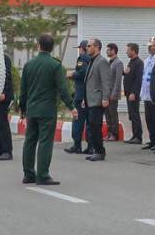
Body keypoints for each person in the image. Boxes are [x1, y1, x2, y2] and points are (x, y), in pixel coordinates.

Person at [20, 34, 77, 185]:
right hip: (47, 110)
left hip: (31, 109)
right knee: (45, 141)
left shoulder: (29, 65)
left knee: (30, 141)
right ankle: (43, 175)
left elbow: (23, 90)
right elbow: (63, 89)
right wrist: (71, 107)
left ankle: (28, 174)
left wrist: (22, 108)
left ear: (38, 45)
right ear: (52, 48)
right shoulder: (55, 65)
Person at [83, 38, 112, 161]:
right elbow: (89, 82)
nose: (87, 48)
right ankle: (95, 149)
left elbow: (106, 82)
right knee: (91, 126)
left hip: (98, 100)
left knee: (95, 126)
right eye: (87, 46)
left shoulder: (102, 61)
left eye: (89, 46)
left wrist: (105, 98)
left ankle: (100, 151)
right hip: (90, 99)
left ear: (97, 47)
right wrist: (85, 98)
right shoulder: (92, 61)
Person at [65, 40, 91, 154]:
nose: (79, 50)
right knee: (89, 121)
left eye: (80, 48)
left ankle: (77, 145)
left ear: (83, 48)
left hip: (81, 94)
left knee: (77, 120)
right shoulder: (91, 58)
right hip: (88, 95)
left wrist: (71, 75)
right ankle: (90, 146)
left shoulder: (82, 58)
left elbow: (82, 73)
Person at [123, 43, 144, 143]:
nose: (126, 52)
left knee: (135, 114)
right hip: (128, 93)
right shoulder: (131, 62)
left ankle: (138, 136)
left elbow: (138, 79)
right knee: (131, 115)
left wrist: (134, 93)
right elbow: (129, 74)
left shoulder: (138, 63)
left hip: (133, 94)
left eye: (128, 50)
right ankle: (134, 135)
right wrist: (124, 72)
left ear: (133, 51)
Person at [140, 44, 155, 150]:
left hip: (153, 94)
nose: (150, 48)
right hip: (146, 93)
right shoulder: (146, 60)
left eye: (152, 46)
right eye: (149, 47)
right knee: (149, 119)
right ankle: (152, 140)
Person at [105, 43, 123, 141]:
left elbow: (118, 80)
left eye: (108, 50)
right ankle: (109, 132)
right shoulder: (109, 62)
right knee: (107, 114)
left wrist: (114, 93)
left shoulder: (118, 63)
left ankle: (115, 134)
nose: (107, 52)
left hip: (113, 93)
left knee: (113, 113)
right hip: (106, 93)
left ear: (113, 50)